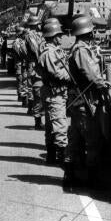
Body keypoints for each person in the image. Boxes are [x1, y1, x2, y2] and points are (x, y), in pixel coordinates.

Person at [66, 16, 110, 191]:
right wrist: (103, 84)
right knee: (92, 139)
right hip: (84, 100)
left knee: (76, 139)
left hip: (78, 100)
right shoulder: (82, 50)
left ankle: (71, 176)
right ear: (87, 32)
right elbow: (90, 73)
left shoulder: (78, 48)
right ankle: (92, 180)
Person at [38, 22, 71, 165]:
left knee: (51, 126)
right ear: (53, 36)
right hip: (54, 93)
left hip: (54, 92)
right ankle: (63, 159)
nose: (61, 37)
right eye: (59, 35)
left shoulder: (53, 50)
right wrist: (71, 75)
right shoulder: (49, 53)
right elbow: (56, 73)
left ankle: (51, 157)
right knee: (60, 126)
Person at [24, 15, 44, 129]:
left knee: (41, 93)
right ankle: (37, 121)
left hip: (38, 66)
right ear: (36, 24)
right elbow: (36, 50)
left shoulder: (36, 35)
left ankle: (40, 118)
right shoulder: (30, 35)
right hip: (36, 67)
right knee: (38, 93)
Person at [12, 26, 28, 104]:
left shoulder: (22, 41)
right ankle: (21, 97)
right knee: (20, 80)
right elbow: (19, 53)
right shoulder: (17, 42)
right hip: (19, 64)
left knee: (24, 81)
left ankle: (24, 97)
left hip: (23, 64)